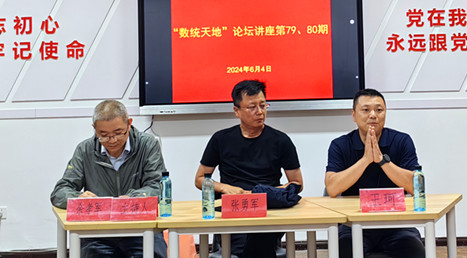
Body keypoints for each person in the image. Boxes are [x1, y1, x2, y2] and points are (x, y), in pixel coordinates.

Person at [195, 80, 303, 258]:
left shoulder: (281, 140)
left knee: (260, 237)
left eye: (263, 105)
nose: (260, 112)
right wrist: (225, 188)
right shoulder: (221, 139)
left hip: (268, 208)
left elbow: (297, 183)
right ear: (236, 111)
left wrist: (272, 192)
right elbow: (200, 179)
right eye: (252, 107)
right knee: (245, 243)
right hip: (234, 208)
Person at [51, 100, 168, 258]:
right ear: (94, 129)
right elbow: (59, 192)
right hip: (98, 234)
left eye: (118, 133)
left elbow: (157, 187)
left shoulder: (147, 145)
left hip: (141, 229)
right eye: (104, 135)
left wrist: (131, 199)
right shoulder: (85, 150)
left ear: (129, 123)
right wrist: (78, 198)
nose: (112, 140)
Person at [325, 88, 425, 258]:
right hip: (354, 225)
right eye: (366, 110)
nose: (373, 115)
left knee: (415, 252)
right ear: (354, 115)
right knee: (344, 251)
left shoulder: (402, 141)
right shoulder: (340, 145)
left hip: (396, 224)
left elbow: (416, 186)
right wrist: (365, 160)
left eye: (379, 110)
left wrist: (382, 160)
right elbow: (332, 188)